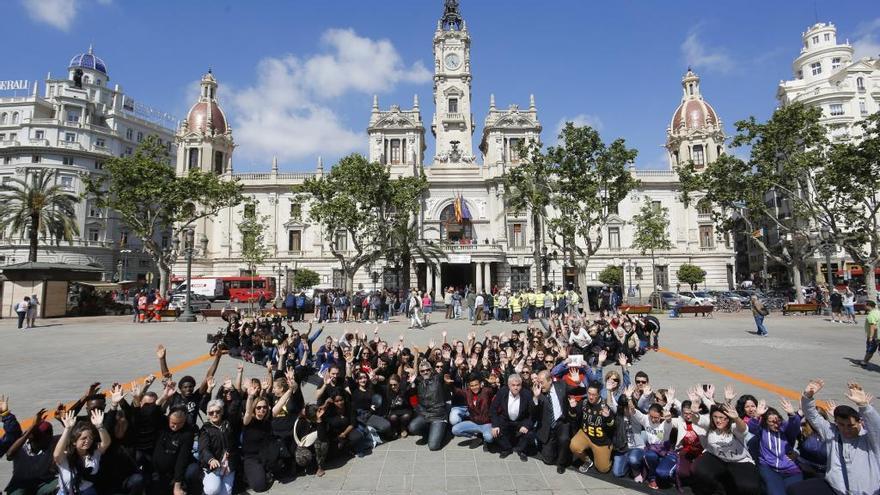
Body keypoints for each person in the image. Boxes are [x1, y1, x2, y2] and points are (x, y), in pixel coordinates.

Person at [787, 380, 879, 495]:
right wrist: (807, 396)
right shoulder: (832, 432)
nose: (846, 429)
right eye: (841, 424)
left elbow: (876, 426)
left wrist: (864, 406)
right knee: (794, 490)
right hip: (836, 489)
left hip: (866, 492)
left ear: (860, 422)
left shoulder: (870, 439)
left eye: (851, 425)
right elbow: (812, 415)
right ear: (835, 422)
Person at [690, 403, 762, 495]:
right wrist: (694, 413)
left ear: (728, 419)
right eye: (715, 417)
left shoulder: (733, 427)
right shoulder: (711, 425)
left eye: (722, 417)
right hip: (717, 458)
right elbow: (696, 420)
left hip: (739, 461)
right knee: (699, 470)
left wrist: (736, 418)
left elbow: (743, 429)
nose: (718, 420)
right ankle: (718, 489)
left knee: (749, 487)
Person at [3, 403, 58, 495]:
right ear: (32, 438)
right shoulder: (20, 446)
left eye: (50, 436)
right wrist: (32, 427)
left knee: (62, 485)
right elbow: (9, 455)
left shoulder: (52, 441)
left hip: (43, 481)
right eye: (45, 439)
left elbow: (73, 431)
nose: (50, 441)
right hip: (20, 483)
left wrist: (84, 398)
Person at [54, 409, 112, 495]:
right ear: (74, 441)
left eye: (90, 438)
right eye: (83, 438)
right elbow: (56, 454)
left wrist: (100, 426)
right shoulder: (65, 457)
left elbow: (106, 443)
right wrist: (67, 429)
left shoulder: (94, 453)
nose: (88, 441)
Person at [569, 382, 616, 474]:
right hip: (586, 435)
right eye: (589, 394)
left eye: (594, 395)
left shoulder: (605, 406)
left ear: (599, 394)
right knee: (574, 446)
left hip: (601, 441)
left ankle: (605, 454)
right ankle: (587, 460)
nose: (591, 397)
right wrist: (572, 408)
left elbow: (613, 427)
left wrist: (608, 417)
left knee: (603, 469)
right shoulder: (584, 403)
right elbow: (574, 418)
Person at [407, 348, 449, 451]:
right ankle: (430, 432)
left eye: (427, 370)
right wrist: (411, 385)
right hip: (425, 414)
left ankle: (443, 431)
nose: (425, 372)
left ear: (431, 370)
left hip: (439, 416)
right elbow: (411, 398)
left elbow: (445, 370)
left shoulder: (438, 379)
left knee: (433, 446)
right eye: (422, 371)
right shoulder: (418, 382)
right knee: (412, 427)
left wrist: (446, 360)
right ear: (420, 372)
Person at [532, 370, 571, 473]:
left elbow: (576, 390)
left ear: (550, 381)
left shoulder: (561, 385)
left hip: (561, 422)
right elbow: (533, 414)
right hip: (547, 426)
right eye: (538, 382)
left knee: (564, 439)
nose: (540, 385)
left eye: (542, 382)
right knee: (547, 460)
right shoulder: (538, 392)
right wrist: (536, 398)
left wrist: (577, 382)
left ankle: (561, 463)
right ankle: (549, 448)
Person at [489, 374, 534, 461]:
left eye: (518, 385)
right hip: (506, 419)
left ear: (521, 385)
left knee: (529, 433)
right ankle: (507, 448)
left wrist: (526, 425)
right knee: (495, 432)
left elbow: (531, 413)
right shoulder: (502, 392)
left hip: (521, 420)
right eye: (513, 385)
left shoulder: (527, 394)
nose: (516, 388)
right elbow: (493, 409)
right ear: (509, 385)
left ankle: (521, 450)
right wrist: (495, 425)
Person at [199, 399, 239, 495]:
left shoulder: (229, 424)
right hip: (213, 467)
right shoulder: (205, 429)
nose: (214, 414)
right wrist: (211, 459)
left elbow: (234, 407)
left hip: (229, 465)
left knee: (224, 494)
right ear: (208, 415)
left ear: (222, 412)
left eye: (217, 412)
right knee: (212, 490)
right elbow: (204, 448)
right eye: (211, 412)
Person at [450, 374, 495, 449]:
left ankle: (484, 437)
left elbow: (493, 390)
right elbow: (457, 391)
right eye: (472, 386)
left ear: (480, 384)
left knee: (489, 438)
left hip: (486, 423)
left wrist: (493, 385)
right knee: (455, 430)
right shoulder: (467, 393)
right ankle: (476, 436)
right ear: (469, 386)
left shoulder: (486, 391)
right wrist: (450, 384)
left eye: (476, 385)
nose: (474, 387)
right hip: (474, 423)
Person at [861, 300, 879, 369]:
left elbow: (872, 326)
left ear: (869, 306)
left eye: (865, 305)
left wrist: (871, 337)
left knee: (870, 349)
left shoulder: (871, 315)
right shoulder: (878, 312)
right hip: (878, 335)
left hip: (874, 336)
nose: (864, 306)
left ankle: (865, 361)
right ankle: (865, 361)